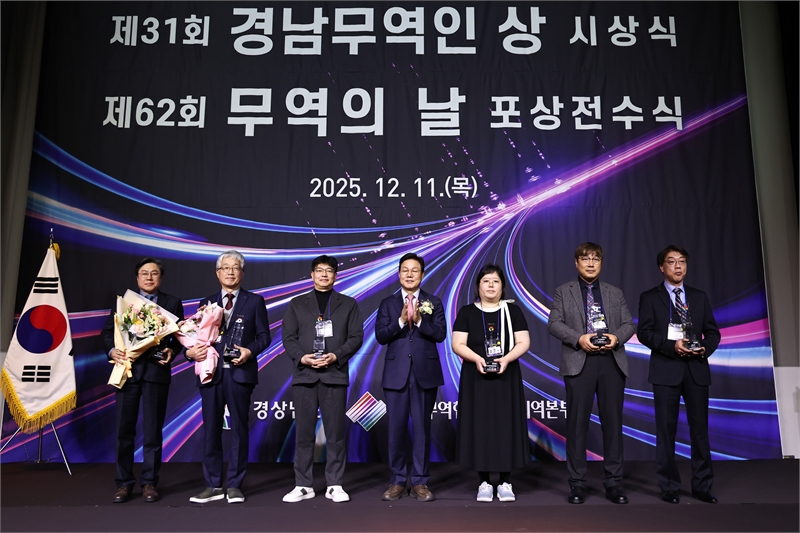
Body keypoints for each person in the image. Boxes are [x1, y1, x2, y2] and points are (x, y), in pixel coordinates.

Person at [547, 242, 635, 505]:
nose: (590, 263)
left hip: (611, 362)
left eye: (596, 259)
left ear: (601, 263)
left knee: (613, 425)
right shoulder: (564, 291)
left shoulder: (614, 292)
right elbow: (554, 323)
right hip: (579, 362)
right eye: (585, 258)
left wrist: (616, 338)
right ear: (577, 263)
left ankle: (614, 483)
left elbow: (628, 324)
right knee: (576, 426)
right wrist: (579, 339)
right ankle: (577, 483)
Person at [637, 245, 721, 505]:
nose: (678, 266)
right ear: (662, 267)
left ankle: (702, 486)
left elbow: (713, 332)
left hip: (696, 370)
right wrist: (671, 346)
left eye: (682, 261)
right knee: (666, 431)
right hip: (666, 370)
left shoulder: (699, 297)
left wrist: (704, 348)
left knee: (700, 431)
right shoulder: (650, 297)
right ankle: (669, 486)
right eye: (672, 261)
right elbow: (644, 333)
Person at [185, 250, 271, 504]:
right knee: (211, 430)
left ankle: (234, 485)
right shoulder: (207, 301)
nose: (230, 272)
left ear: (242, 273)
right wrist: (190, 353)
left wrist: (249, 351)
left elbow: (264, 337)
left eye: (235, 267)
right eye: (226, 267)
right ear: (217, 273)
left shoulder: (255, 301)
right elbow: (195, 336)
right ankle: (212, 485)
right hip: (210, 373)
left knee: (239, 430)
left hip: (239, 373)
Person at [282, 255, 364, 504]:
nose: (324, 274)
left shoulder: (348, 304)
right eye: (319, 270)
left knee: (335, 434)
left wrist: (335, 356)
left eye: (329, 271)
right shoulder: (297, 303)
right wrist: (302, 358)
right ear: (312, 275)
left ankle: (335, 484)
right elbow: (288, 337)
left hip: (334, 375)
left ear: (335, 275)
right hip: (305, 375)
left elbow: (356, 337)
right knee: (303, 434)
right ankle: (303, 485)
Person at [102, 257, 184, 503]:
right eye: (144, 273)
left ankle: (149, 482)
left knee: (152, 432)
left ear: (161, 277)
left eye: (154, 273)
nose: (149, 277)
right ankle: (123, 483)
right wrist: (112, 351)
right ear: (137, 277)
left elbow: (180, 337)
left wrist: (172, 351)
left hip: (156, 374)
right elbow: (108, 333)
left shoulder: (172, 303)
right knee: (123, 431)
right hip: (127, 372)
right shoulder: (125, 302)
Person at [452, 264, 530, 503]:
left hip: (506, 375)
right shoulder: (467, 312)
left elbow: (523, 342)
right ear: (478, 286)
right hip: (476, 377)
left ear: (502, 286)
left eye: (495, 281)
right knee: (480, 426)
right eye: (486, 281)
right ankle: (484, 481)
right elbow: (457, 344)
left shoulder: (512, 311)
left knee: (506, 425)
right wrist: (478, 359)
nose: (491, 286)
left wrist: (505, 359)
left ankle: (505, 481)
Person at [375, 253, 446, 502]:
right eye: (405, 270)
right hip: (396, 375)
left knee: (422, 430)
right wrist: (401, 321)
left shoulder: (433, 301)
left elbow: (440, 334)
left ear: (422, 274)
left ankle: (420, 481)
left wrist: (419, 321)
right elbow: (381, 336)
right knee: (395, 429)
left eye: (415, 270)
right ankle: (396, 480)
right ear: (398, 274)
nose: (409, 274)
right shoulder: (387, 303)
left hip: (424, 374)